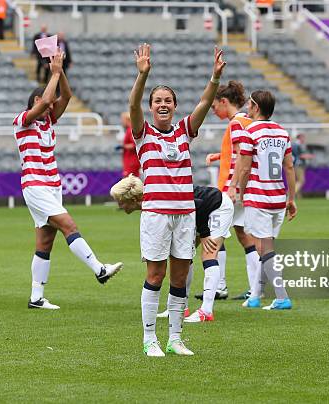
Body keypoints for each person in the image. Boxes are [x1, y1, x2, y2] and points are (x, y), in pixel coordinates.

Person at [129, 43, 225, 357]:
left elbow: (203, 103)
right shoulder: (144, 134)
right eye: (157, 101)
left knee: (181, 277)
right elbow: (133, 105)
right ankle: (148, 339)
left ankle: (175, 338)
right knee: (155, 274)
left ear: (174, 105)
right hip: (156, 213)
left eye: (168, 100)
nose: (163, 105)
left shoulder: (184, 131)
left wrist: (213, 78)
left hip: (185, 214)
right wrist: (143, 76)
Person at [13, 49, 122, 310]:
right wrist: (53, 73)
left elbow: (67, 95)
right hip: (36, 185)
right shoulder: (22, 121)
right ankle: (99, 269)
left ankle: (36, 298)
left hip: (52, 186)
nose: (52, 106)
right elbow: (47, 99)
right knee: (69, 226)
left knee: (45, 242)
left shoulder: (47, 122)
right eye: (46, 103)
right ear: (36, 101)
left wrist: (60, 72)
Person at [110, 176, 234, 323]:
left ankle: (206, 311)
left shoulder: (158, 200)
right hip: (197, 214)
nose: (119, 205)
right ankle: (181, 307)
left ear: (133, 199)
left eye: (120, 201)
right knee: (182, 255)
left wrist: (204, 234)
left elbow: (198, 204)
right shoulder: (150, 204)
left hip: (217, 206)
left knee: (209, 254)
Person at [233, 90, 297, 311]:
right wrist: (292, 198)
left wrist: (238, 189)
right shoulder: (282, 132)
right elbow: (289, 167)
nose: (248, 108)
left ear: (256, 107)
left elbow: (244, 165)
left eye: (250, 105)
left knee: (264, 248)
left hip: (258, 196)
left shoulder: (249, 131)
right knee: (266, 246)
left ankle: (281, 296)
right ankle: (255, 296)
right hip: (278, 197)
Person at [205, 80, 259, 301]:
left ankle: (219, 287)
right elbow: (245, 151)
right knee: (244, 237)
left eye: (214, 106)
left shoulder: (236, 123)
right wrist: (219, 156)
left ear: (224, 102)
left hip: (231, 188)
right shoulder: (249, 121)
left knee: (214, 234)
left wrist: (233, 187)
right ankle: (256, 287)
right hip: (246, 187)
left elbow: (238, 155)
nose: (214, 110)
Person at [120, 111, 140, 178]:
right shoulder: (130, 129)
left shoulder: (131, 130)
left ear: (127, 120)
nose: (122, 122)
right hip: (130, 159)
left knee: (129, 180)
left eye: (122, 119)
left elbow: (135, 144)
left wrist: (123, 146)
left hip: (132, 160)